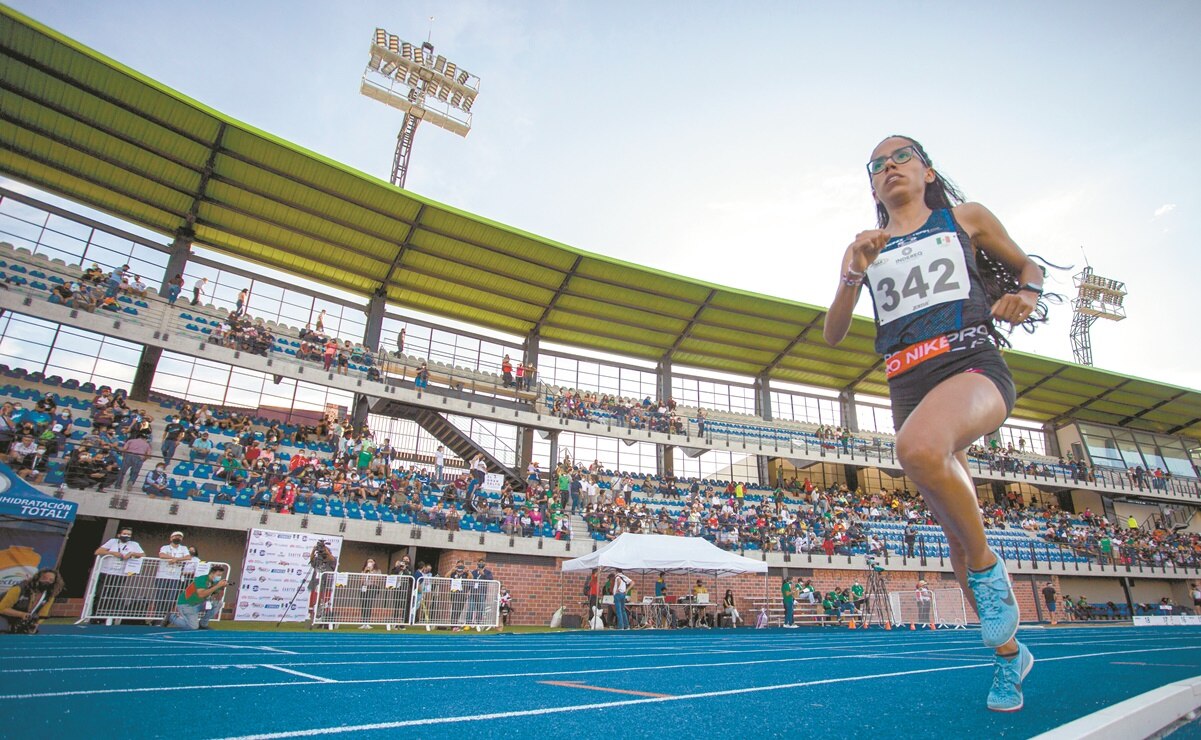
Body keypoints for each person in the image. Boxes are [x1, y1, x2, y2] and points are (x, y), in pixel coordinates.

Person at [822, 136, 1047, 712]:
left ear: (926, 169)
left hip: (972, 364)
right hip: (908, 384)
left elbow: (1027, 262)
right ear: (872, 186)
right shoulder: (865, 248)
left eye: (901, 156)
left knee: (918, 449)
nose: (889, 166)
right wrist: (853, 271)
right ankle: (1007, 658)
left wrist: (1027, 290)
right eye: (877, 165)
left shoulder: (963, 218)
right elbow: (833, 333)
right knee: (953, 537)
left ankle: (990, 570)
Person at [92, 527, 144, 620]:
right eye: (124, 534)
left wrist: (132, 553)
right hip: (106, 572)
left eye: (129, 534)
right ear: (119, 535)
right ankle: (95, 616)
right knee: (100, 594)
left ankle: (107, 617)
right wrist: (113, 553)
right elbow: (98, 551)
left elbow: (142, 554)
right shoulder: (112, 542)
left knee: (113, 595)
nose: (126, 536)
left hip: (120, 574)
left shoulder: (134, 544)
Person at [164, 563, 230, 630]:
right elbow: (201, 594)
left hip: (198, 604)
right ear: (212, 573)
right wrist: (217, 586)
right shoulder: (202, 579)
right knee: (193, 627)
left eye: (221, 575)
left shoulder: (215, 582)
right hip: (186, 604)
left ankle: (203, 624)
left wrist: (222, 588)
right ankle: (171, 617)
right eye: (218, 575)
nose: (219, 577)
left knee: (218, 603)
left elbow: (218, 598)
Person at [0, 569, 63, 634]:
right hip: (3, 615)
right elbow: (2, 608)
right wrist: (22, 614)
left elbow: (42, 614)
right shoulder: (19, 589)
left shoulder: (50, 596)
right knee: (3, 630)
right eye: (44, 578)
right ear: (37, 578)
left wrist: (36, 624)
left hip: (21, 619)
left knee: (31, 632)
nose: (47, 581)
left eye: (51, 580)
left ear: (54, 583)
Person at [307, 540, 337, 620]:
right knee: (314, 599)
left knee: (324, 600)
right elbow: (312, 560)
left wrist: (325, 550)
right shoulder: (318, 559)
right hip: (316, 582)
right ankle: (312, 615)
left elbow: (331, 558)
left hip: (326, 583)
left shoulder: (331, 559)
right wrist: (314, 550)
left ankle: (323, 616)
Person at [357, 559, 382, 629]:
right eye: (368, 561)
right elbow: (361, 580)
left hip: (372, 588)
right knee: (363, 604)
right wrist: (365, 571)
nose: (370, 563)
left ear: (374, 563)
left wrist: (371, 571)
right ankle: (363, 622)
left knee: (369, 604)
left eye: (371, 561)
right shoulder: (364, 570)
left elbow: (376, 580)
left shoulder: (377, 570)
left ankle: (367, 622)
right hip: (364, 588)